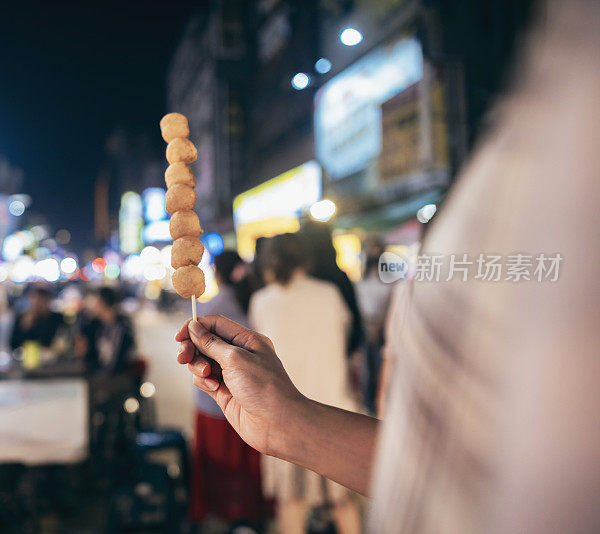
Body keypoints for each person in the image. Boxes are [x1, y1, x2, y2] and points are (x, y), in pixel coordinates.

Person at [177, 2, 600, 532]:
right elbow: (427, 462)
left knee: (290, 511)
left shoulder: (571, 149)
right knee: (343, 510)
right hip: (333, 408)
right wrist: (292, 421)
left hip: (333, 414)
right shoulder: (544, 136)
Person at [248, 234, 360, 534]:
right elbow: (345, 339)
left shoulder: (262, 301)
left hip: (287, 413)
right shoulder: (329, 294)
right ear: (304, 259)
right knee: (343, 502)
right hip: (335, 410)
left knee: (291, 503)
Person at [190, 251, 264, 528]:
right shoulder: (254, 300)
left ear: (217, 273)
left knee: (222, 463)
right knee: (247, 462)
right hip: (252, 400)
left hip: (217, 401)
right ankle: (248, 515)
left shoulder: (214, 307)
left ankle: (228, 516)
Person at [299, 221, 364, 358]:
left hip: (310, 354)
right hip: (338, 353)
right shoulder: (339, 278)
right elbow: (354, 321)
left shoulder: (303, 283)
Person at [355, 240, 393, 415]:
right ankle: (370, 404)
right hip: (366, 328)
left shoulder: (390, 278)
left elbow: (390, 303)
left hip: (383, 329)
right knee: (366, 369)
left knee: (381, 367)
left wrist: (377, 326)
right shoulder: (362, 278)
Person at [75, 287, 136, 375]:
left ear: (102, 302)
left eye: (95, 301)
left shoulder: (123, 327)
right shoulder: (92, 325)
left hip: (117, 378)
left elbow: (126, 356)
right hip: (97, 375)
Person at [10, 286, 63, 350]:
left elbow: (58, 340)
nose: (37, 304)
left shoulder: (56, 318)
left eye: (41, 300)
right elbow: (13, 344)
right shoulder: (22, 318)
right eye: (34, 299)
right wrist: (25, 327)